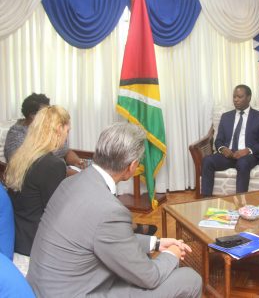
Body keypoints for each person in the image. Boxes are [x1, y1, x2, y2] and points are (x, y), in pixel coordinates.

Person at [27, 123, 202, 297]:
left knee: (156, 267)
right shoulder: (109, 211)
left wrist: (156, 243)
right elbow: (151, 277)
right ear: (132, 166)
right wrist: (172, 254)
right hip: (77, 292)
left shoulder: (70, 183)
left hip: (46, 287)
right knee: (189, 278)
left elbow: (104, 236)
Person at [4, 106, 70, 256]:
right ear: (59, 129)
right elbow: (55, 213)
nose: (67, 136)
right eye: (67, 131)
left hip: (17, 237)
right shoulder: (53, 164)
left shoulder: (20, 157)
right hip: (37, 244)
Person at [201, 84, 259, 196]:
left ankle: (240, 204)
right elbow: (218, 140)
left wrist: (247, 150)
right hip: (228, 154)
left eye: (239, 97)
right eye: (234, 97)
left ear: (248, 98)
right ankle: (205, 201)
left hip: (247, 155)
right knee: (207, 161)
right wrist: (223, 149)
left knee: (243, 163)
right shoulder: (226, 116)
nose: (236, 100)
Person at [4, 93, 85, 170]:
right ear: (33, 115)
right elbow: (25, 166)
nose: (50, 116)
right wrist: (67, 172)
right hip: (40, 178)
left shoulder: (48, 129)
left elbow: (65, 151)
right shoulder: (16, 135)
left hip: (61, 172)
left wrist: (77, 162)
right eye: (46, 113)